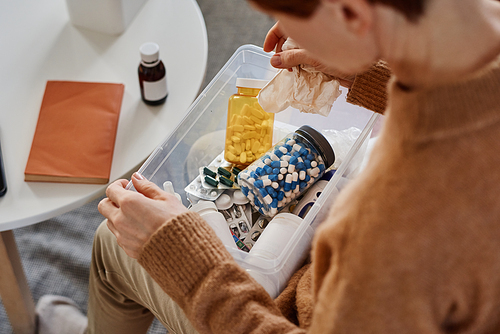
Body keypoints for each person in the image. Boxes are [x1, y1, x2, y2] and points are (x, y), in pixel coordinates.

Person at [35, 0, 500, 333]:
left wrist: (185, 260)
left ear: (354, 16)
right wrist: (364, 68)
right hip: (349, 270)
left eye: (294, 14)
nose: (278, 25)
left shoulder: (382, 231)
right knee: (210, 152)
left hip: (288, 307)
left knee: (112, 243)